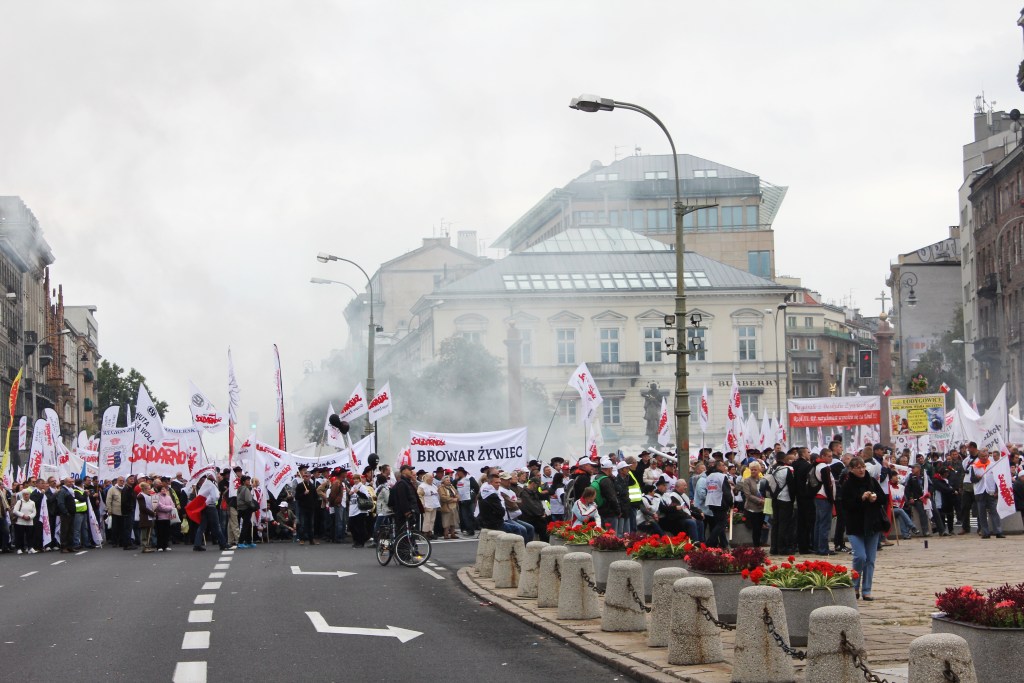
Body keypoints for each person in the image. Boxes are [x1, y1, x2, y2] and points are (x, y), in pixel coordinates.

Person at [841, 457, 889, 601]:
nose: (861, 470)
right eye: (858, 467)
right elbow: (846, 505)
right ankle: (854, 586)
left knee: (870, 559)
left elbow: (883, 498)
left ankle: (867, 590)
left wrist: (874, 497)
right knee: (860, 556)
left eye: (863, 467)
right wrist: (860, 498)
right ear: (851, 469)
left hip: (872, 524)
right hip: (855, 525)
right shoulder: (847, 485)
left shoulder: (872, 481)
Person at [970, 450, 1005, 538]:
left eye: (986, 456)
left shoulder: (993, 465)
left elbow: (997, 479)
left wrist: (997, 491)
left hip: (990, 490)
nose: (985, 458)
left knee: (994, 511)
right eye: (982, 456)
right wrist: (977, 478)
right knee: (981, 513)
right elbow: (972, 479)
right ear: (979, 457)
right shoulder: (974, 467)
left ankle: (998, 531)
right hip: (980, 491)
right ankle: (985, 532)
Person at [193, 475, 229, 552]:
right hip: (211, 507)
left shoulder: (204, 484)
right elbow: (214, 497)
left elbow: (200, 495)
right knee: (216, 526)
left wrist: (204, 503)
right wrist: (217, 496)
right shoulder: (211, 485)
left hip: (204, 507)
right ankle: (223, 543)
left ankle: (197, 544)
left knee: (202, 526)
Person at [738, 461, 766, 547]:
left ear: (759, 470)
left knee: (761, 527)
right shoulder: (747, 480)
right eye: (751, 470)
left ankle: (760, 544)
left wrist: (765, 500)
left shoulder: (763, 480)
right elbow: (748, 495)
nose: (753, 471)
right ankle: (756, 546)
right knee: (756, 528)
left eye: (755, 470)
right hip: (752, 508)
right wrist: (760, 501)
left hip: (762, 508)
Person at [152, 482, 175, 551]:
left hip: (168, 517)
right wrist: (169, 508)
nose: (164, 490)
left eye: (165, 489)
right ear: (159, 490)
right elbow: (160, 507)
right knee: (160, 532)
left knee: (167, 532)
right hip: (160, 517)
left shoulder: (168, 497)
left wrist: (170, 508)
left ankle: (166, 545)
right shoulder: (155, 496)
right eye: (162, 489)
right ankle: (159, 546)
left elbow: (173, 505)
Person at [12, 489, 36, 554]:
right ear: (22, 495)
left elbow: (34, 512)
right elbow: (15, 511)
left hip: (29, 522)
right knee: (20, 536)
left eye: (27, 494)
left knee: (30, 535)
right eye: (24, 494)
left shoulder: (32, 502)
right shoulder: (19, 502)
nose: (26, 496)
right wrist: (23, 516)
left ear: (29, 495)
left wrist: (29, 517)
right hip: (20, 522)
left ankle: (30, 547)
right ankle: (19, 548)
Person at [417, 473, 440, 539]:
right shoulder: (422, 486)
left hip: (434, 504)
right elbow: (419, 496)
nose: (432, 479)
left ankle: (430, 532)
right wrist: (422, 504)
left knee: (432, 520)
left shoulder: (434, 486)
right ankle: (425, 533)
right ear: (426, 478)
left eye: (432, 477)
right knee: (427, 520)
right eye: (430, 477)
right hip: (427, 505)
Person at [236, 476, 256, 548]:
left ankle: (249, 541)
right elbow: (248, 500)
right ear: (244, 481)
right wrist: (252, 505)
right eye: (247, 480)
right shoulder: (245, 489)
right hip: (246, 508)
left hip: (240, 508)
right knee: (246, 525)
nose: (249, 481)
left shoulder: (240, 488)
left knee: (249, 524)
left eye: (249, 480)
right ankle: (241, 541)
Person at [136, 482, 155, 553]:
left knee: (149, 532)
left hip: (149, 516)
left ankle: (148, 545)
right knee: (144, 532)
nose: (149, 490)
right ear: (144, 489)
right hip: (144, 516)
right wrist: (152, 513)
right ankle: (144, 546)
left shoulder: (148, 495)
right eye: (148, 489)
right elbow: (143, 508)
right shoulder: (141, 496)